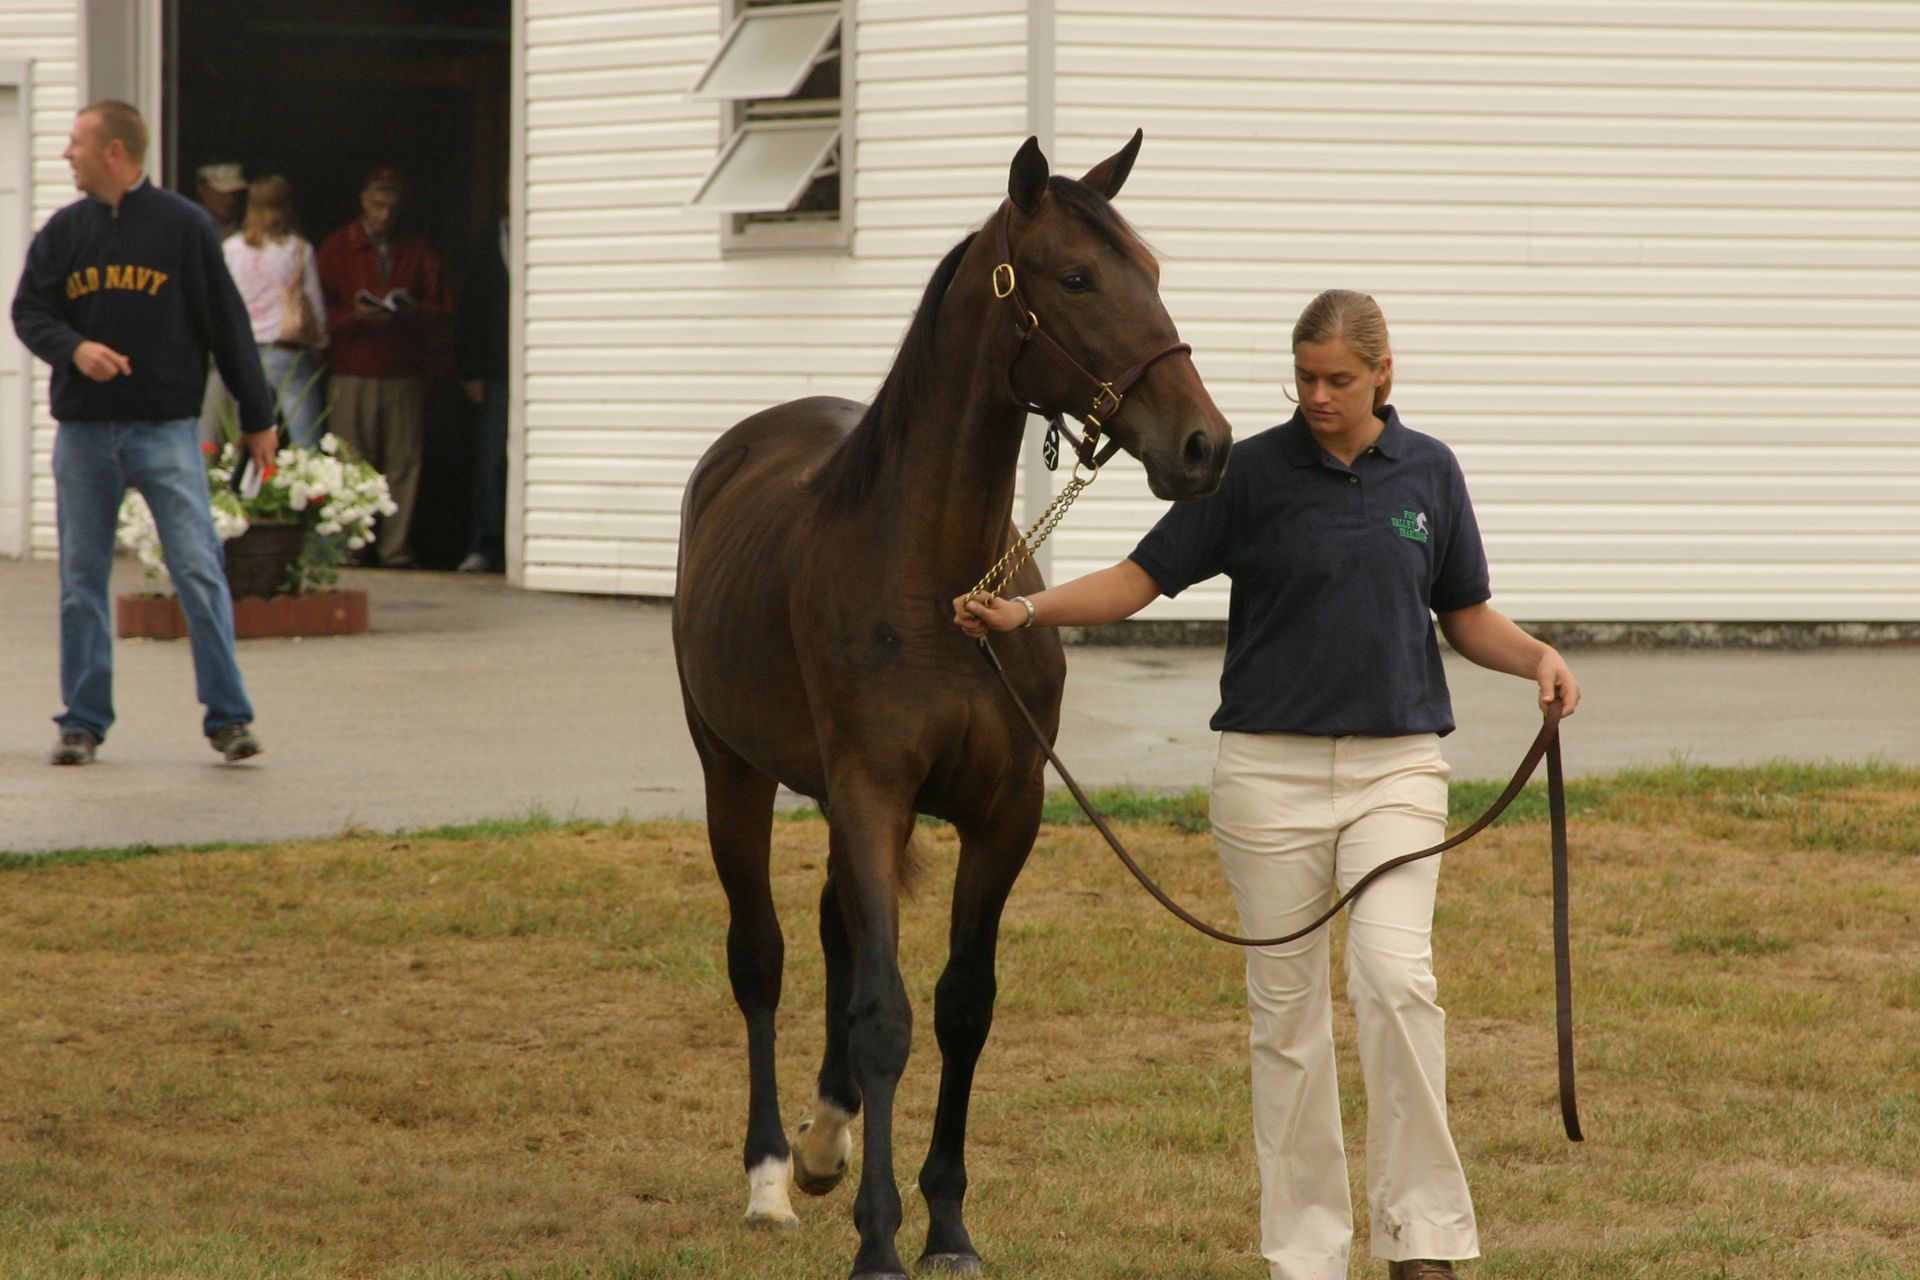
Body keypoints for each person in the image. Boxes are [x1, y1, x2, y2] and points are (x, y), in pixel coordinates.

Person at [954, 290, 1581, 1280]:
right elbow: (1139, 577)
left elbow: (1464, 615)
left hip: (1396, 770)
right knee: (1286, 1018)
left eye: (1339, 379)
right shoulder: (1247, 473)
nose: (1319, 396)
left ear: (1382, 374)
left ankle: (1422, 1237)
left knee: (1395, 981)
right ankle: (1306, 1254)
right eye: (1305, 378)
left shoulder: (1430, 472)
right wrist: (1026, 609)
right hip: (1266, 777)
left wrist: (1538, 656)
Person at [12, 101, 277, 766]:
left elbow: (227, 324)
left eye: (76, 143)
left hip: (164, 431)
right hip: (84, 435)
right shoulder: (64, 232)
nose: (66, 154)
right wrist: (74, 349)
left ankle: (229, 719)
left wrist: (258, 417)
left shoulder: (184, 227)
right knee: (82, 579)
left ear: (114, 151)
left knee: (198, 568)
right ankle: (82, 722)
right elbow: (29, 311)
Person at [315, 165, 452, 569]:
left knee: (404, 460)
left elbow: (444, 309)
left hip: (401, 368)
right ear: (363, 201)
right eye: (377, 206)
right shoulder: (338, 247)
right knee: (350, 461)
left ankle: (395, 548)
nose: (384, 216)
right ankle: (350, 544)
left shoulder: (417, 249)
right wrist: (352, 316)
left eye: (392, 208)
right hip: (352, 368)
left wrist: (412, 311)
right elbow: (315, 311)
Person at [223, 175, 328, 448]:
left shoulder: (232, 248)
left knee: (246, 439)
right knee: (306, 439)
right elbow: (315, 306)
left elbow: (221, 302)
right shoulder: (297, 249)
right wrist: (321, 344)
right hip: (286, 350)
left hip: (243, 352)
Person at [454, 201, 508, 573]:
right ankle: (485, 544)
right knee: (492, 459)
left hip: (532, 367)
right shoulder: (488, 243)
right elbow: (471, 309)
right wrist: (470, 370)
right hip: (496, 371)